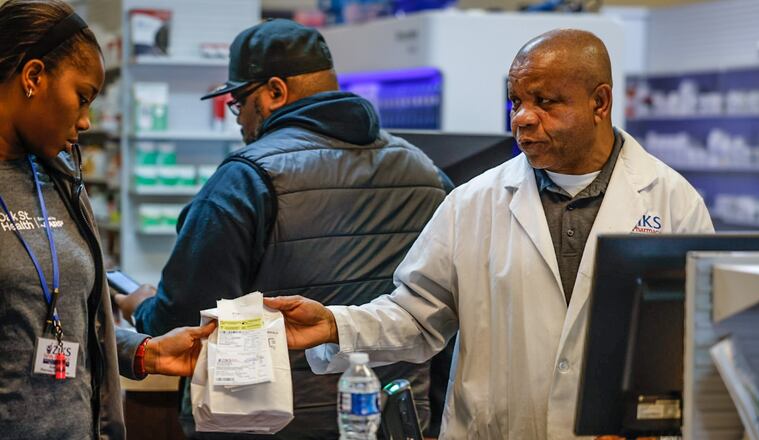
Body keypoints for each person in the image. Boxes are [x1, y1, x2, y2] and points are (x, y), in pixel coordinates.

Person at [262, 29, 716, 439]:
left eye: (545, 102)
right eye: (515, 101)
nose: (522, 118)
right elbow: (418, 315)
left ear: (600, 103)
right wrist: (335, 325)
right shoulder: (473, 202)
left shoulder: (672, 202)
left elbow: (700, 342)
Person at [114, 18, 454, 439]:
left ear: (275, 92)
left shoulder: (245, 178)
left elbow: (183, 321)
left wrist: (141, 305)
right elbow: (445, 320)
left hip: (267, 424)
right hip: (391, 420)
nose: (238, 121)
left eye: (239, 103)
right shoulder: (428, 174)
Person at [0, 1, 216, 439]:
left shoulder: (60, 180)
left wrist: (146, 353)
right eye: (82, 97)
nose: (85, 120)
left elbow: (65, 325)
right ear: (34, 77)